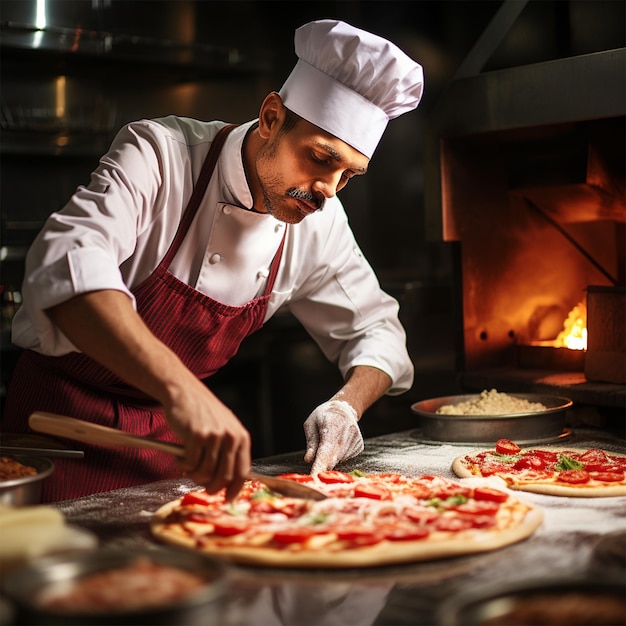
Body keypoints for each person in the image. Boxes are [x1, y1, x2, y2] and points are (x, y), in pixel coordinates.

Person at [4, 19, 424, 502]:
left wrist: (346, 407)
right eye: (320, 158)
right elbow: (67, 262)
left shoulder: (318, 220)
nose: (329, 190)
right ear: (270, 117)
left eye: (349, 174)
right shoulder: (160, 155)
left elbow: (377, 329)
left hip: (173, 453)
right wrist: (182, 390)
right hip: (55, 437)